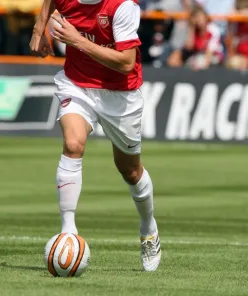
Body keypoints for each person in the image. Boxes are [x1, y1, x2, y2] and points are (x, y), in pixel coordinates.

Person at [30, 0, 161, 271]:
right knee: (73, 143)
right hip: (77, 83)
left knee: (131, 172)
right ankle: (68, 230)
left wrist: (78, 41)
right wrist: (38, 28)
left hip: (120, 94)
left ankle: (148, 228)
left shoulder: (122, 6)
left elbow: (126, 63)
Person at [168, 5, 224, 70]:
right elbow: (189, 46)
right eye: (195, 17)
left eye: (200, 17)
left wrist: (201, 63)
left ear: (205, 17)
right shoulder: (193, 29)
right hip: (196, 55)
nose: (198, 20)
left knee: (199, 62)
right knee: (173, 59)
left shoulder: (213, 30)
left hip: (213, 57)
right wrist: (191, 28)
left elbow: (209, 53)